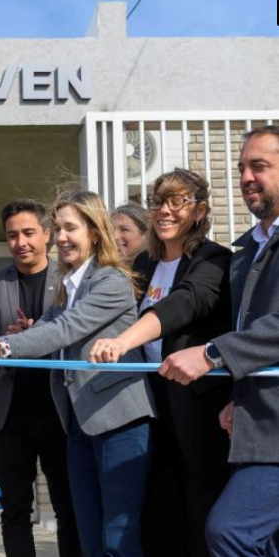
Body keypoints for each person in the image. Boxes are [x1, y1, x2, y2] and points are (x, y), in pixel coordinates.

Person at [0, 189, 156, 557]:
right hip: (79, 423)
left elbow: (62, 331)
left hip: (119, 421)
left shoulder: (111, 281)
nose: (61, 237)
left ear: (95, 232)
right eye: (58, 228)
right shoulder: (67, 287)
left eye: (70, 228)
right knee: (89, 534)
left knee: (118, 537)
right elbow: (44, 329)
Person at [90, 169, 232, 557]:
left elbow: (184, 304)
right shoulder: (143, 264)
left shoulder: (214, 260)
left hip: (198, 412)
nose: (164, 211)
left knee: (201, 514)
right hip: (150, 406)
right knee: (158, 514)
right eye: (158, 202)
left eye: (177, 202)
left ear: (199, 211)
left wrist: (122, 342)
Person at [155, 126, 279, 557]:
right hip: (256, 425)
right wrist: (236, 398)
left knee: (229, 532)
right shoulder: (248, 252)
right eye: (242, 167)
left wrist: (211, 354)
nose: (246, 177)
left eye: (259, 166)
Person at [0, 198, 81, 557]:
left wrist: (37, 335)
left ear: (47, 234)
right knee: (14, 508)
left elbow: (76, 334)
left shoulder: (69, 278)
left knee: (68, 506)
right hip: (9, 414)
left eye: (29, 233)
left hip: (59, 411)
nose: (21, 242)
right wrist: (9, 338)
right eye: (12, 235)